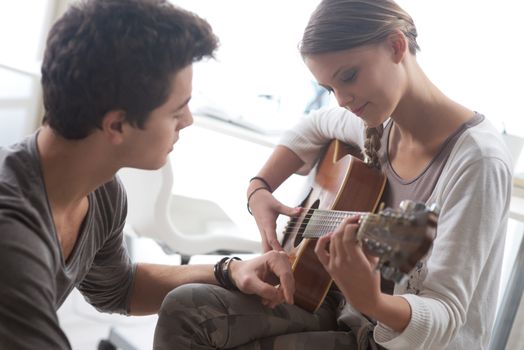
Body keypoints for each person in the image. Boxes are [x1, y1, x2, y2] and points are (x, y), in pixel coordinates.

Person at [154, 0, 513, 349]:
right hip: (340, 309)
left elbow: (446, 313)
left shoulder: (477, 161)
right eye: (329, 88)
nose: (341, 100)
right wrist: (260, 188)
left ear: (396, 45)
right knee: (186, 309)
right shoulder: (379, 124)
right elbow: (314, 125)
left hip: (398, 340)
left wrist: (371, 299)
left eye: (349, 76)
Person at [0, 1, 296, 348]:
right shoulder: (12, 235)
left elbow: (119, 287)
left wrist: (229, 271)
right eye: (176, 110)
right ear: (117, 125)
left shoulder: (102, 192)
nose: (188, 121)